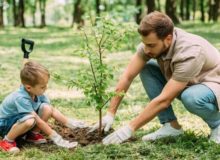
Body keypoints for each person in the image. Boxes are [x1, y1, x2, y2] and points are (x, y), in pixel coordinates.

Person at [90, 11, 220, 145]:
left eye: (151, 45)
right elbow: (128, 76)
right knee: (147, 67)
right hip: (186, 80)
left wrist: (129, 128)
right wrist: (110, 113)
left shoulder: (190, 52)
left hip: (212, 82)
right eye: (144, 44)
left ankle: (218, 124)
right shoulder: (152, 43)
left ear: (168, 39)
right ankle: (171, 126)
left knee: (191, 97)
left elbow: (164, 100)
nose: (146, 49)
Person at [0, 61, 87, 154]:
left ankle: (32, 135)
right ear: (29, 87)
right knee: (30, 119)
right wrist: (56, 137)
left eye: (46, 85)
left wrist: (70, 123)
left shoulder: (36, 92)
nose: (46, 88)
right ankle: (7, 141)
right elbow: (38, 120)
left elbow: (51, 110)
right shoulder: (21, 97)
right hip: (5, 125)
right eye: (42, 87)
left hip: (19, 121)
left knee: (47, 108)